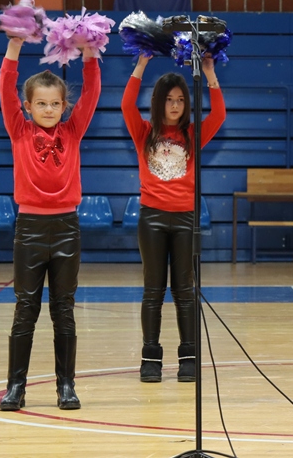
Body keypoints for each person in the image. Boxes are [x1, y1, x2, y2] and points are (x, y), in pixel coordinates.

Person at [0, 37, 102, 411]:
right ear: (27, 106)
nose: (48, 109)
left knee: (64, 309)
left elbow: (92, 93)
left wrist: (90, 54)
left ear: (64, 106)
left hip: (66, 229)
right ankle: (16, 387)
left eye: (55, 103)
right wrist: (13, 47)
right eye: (40, 103)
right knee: (25, 308)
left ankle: (66, 386)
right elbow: (6, 87)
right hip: (29, 229)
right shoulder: (19, 130)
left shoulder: (73, 131)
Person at [121, 53, 226, 383]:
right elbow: (126, 105)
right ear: (158, 102)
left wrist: (209, 74)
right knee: (153, 291)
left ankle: (189, 356)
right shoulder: (144, 132)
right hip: (151, 219)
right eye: (169, 99)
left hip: (184, 220)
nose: (176, 105)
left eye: (180, 99)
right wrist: (141, 64)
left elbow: (219, 115)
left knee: (184, 290)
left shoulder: (193, 134)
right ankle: (150, 357)